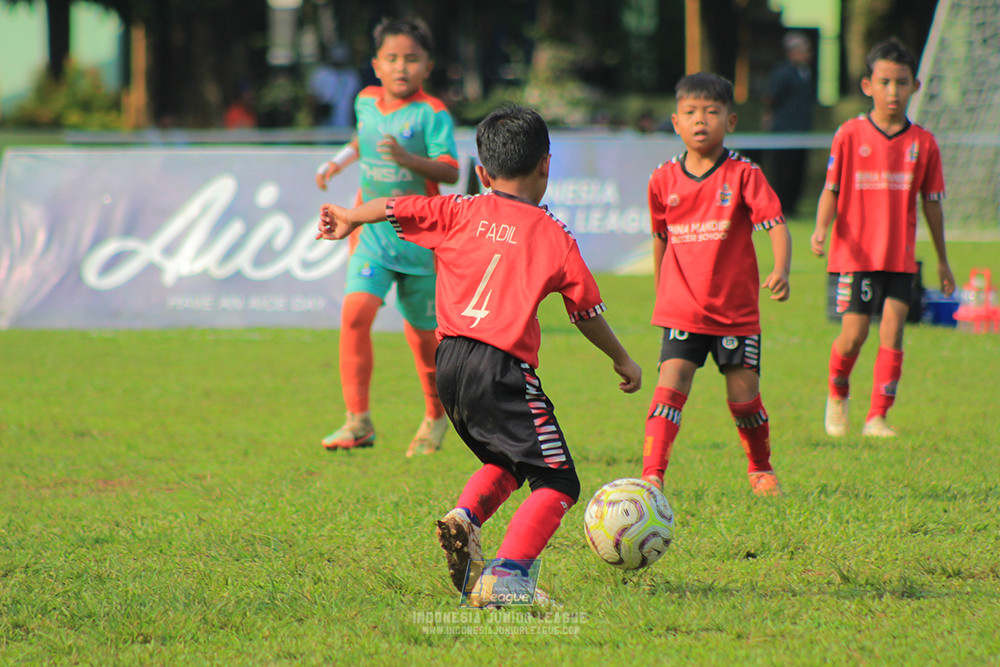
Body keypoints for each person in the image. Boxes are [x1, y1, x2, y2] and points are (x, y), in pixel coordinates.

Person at [317, 105, 643, 607]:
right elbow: (586, 312)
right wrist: (622, 359)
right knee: (557, 480)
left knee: (504, 459)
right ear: (546, 166)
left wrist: (346, 216)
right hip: (503, 369)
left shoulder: (459, 210)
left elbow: (394, 206)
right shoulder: (555, 236)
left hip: (447, 364)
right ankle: (508, 577)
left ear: (484, 173)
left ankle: (464, 518)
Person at [641, 72, 792, 498]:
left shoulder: (744, 174)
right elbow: (660, 238)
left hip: (735, 312)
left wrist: (781, 268)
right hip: (681, 309)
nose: (700, 120)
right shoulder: (662, 180)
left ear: (731, 120)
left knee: (744, 399)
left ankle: (760, 468)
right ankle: (652, 476)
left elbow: (776, 225)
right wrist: (661, 291)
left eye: (711, 111)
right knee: (670, 387)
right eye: (690, 112)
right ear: (675, 121)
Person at [314, 17, 460, 456]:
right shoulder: (365, 101)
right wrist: (337, 163)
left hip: (419, 243)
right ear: (376, 65)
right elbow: (363, 139)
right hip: (372, 236)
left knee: (423, 340)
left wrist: (407, 158)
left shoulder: (432, 113)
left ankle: (436, 417)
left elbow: (451, 171)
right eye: (392, 58)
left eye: (411, 59)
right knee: (355, 313)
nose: (401, 67)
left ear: (427, 67)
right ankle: (357, 421)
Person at [810, 38, 955, 438]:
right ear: (867, 85)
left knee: (893, 331)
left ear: (915, 87)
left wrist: (942, 260)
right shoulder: (850, 134)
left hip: (900, 257)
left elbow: (932, 204)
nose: (893, 91)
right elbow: (832, 189)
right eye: (885, 81)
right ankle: (837, 396)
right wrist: (822, 228)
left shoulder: (923, 143)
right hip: (854, 255)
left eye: (902, 82)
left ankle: (877, 417)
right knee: (853, 336)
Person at [762, 31, 816, 216]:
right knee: (782, 170)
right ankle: (781, 206)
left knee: (798, 170)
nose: (807, 54)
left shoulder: (806, 72)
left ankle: (793, 206)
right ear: (791, 52)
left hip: (802, 130)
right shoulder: (782, 72)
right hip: (784, 129)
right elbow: (771, 97)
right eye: (803, 50)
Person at [308, 43, 361, 128]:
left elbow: (355, 99)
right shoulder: (320, 73)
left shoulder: (351, 75)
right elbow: (312, 98)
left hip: (346, 123)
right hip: (324, 125)